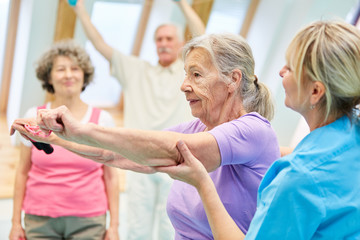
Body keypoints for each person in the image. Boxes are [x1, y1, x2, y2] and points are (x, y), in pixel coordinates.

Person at [11, 33, 280, 239]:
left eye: (196, 75)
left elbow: (175, 151)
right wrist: (56, 139)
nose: (184, 85)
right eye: (186, 75)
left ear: (233, 79)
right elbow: (112, 154)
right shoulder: (197, 129)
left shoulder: (253, 129)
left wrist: (80, 129)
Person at [157, 20, 360, 239]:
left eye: (290, 67)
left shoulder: (297, 179)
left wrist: (202, 183)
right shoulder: (349, 143)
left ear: (315, 91)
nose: (281, 72)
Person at [68, 0, 206, 238]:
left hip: (179, 160)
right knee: (137, 229)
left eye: (169, 39)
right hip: (138, 161)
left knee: (171, 228)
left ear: (181, 43)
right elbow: (100, 44)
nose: (163, 44)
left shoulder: (189, 73)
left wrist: (183, 4)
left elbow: (203, 37)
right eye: (159, 39)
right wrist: (79, 9)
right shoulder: (135, 70)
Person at [9, 40, 120, 240]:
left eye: (75, 68)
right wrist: (16, 223)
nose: (68, 74)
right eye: (61, 69)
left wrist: (114, 227)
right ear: (48, 77)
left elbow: (111, 177)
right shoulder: (33, 116)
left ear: (84, 75)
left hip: (89, 221)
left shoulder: (103, 120)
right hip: (39, 220)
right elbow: (22, 172)